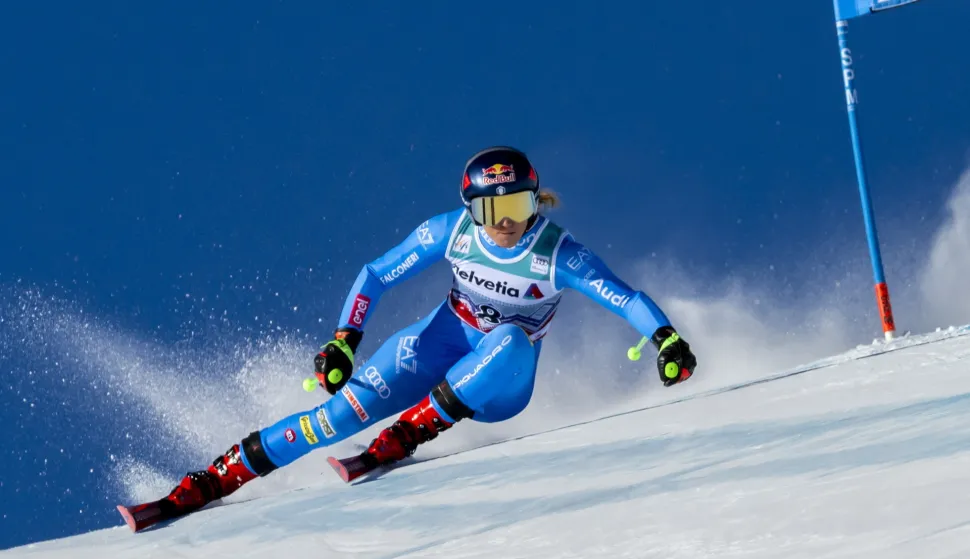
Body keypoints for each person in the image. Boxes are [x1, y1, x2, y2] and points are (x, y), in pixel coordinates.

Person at [117, 146, 698, 532]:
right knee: (339, 417)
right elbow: (375, 273)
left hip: (499, 383)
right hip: (438, 347)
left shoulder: (555, 253)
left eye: (518, 204)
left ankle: (409, 433)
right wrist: (345, 340)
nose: (505, 222)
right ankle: (209, 481)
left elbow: (622, 297)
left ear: (536, 200)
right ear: (471, 207)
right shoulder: (449, 232)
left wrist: (666, 340)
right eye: (491, 208)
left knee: (511, 341)